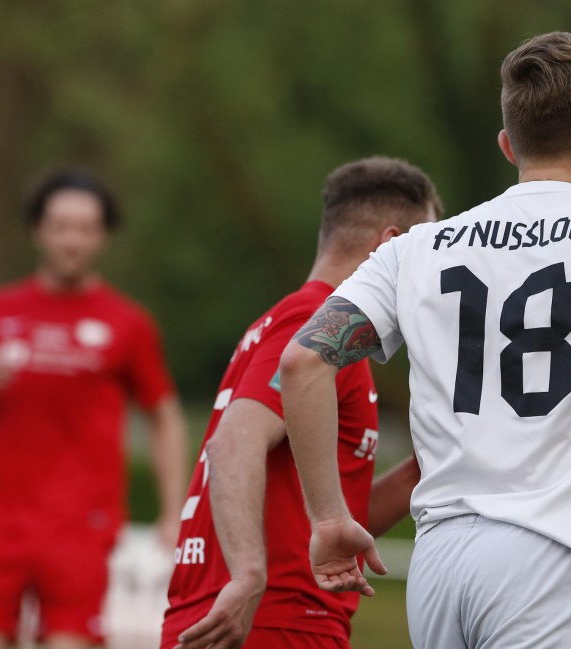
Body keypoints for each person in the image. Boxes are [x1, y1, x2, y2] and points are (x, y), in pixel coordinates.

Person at [280, 32, 571, 648]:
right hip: (556, 563)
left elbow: (302, 362)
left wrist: (329, 518)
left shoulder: (417, 249)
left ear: (509, 144)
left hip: (440, 565)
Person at [160, 156, 442, 649]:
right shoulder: (320, 330)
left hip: (247, 617)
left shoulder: (283, 323)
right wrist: (248, 575)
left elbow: (330, 515)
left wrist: (436, 463)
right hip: (277, 619)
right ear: (392, 245)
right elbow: (233, 442)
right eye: (429, 253)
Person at [0, 168, 190, 649]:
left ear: (103, 236)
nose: (72, 240)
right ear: (37, 230)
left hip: (81, 525)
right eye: (61, 226)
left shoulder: (128, 323)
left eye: (86, 229)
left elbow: (164, 415)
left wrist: (174, 512)